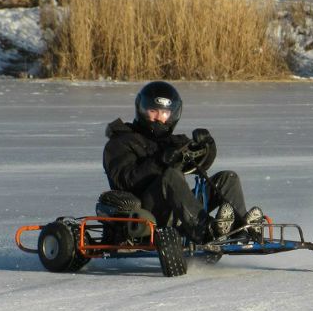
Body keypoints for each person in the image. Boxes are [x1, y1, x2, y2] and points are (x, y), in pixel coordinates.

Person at [103, 81, 264, 243]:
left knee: (228, 178)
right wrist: (159, 161)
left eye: (164, 113)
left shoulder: (173, 142)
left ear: (173, 114)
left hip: (180, 209)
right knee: (171, 175)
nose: (159, 118)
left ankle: (240, 230)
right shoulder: (121, 142)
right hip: (145, 213)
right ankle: (204, 230)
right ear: (142, 110)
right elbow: (125, 181)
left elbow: (200, 164)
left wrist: (207, 146)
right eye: (153, 111)